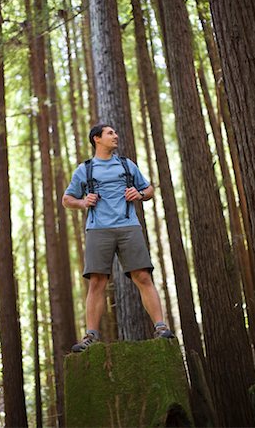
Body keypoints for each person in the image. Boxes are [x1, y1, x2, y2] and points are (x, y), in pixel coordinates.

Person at [62, 124, 174, 352]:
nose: (116, 135)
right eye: (110, 133)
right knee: (97, 282)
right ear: (97, 139)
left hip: (128, 227)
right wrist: (83, 202)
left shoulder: (126, 164)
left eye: (115, 132)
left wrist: (140, 194)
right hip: (98, 229)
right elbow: (67, 199)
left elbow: (149, 189)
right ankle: (91, 336)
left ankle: (161, 327)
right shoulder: (85, 169)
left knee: (142, 276)